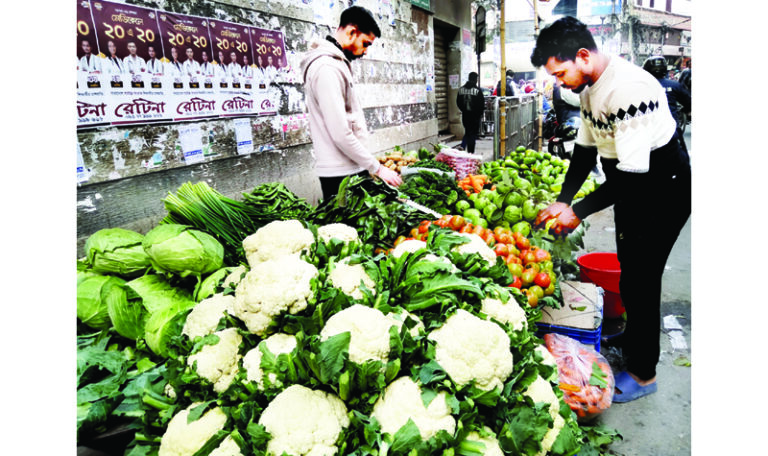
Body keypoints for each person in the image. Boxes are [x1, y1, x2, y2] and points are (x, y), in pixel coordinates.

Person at [529, 16, 690, 403]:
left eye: (560, 73)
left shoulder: (628, 89)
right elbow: (585, 151)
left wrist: (578, 211)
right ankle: (634, 338)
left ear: (583, 56)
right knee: (629, 268)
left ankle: (644, 373)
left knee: (643, 278)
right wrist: (564, 199)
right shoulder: (588, 89)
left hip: (664, 188)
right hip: (632, 183)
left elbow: (632, 177)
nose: (559, 82)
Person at [300, 5, 402, 201]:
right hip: (341, 173)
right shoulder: (327, 68)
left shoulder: (336, 63)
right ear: (351, 32)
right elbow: (340, 132)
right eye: (365, 43)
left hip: (349, 166)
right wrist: (377, 168)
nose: (365, 51)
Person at [642, 56, 691, 152]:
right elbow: (689, 103)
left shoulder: (640, 87)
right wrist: (686, 110)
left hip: (646, 135)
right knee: (683, 159)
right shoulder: (674, 85)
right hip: (671, 135)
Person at [456, 72, 484, 153]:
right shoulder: (478, 90)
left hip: (465, 115)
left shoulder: (461, 89)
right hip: (475, 116)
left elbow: (458, 102)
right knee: (472, 134)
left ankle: (463, 145)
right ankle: (470, 152)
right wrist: (479, 114)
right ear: (475, 79)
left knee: (468, 131)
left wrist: (463, 110)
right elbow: (481, 104)